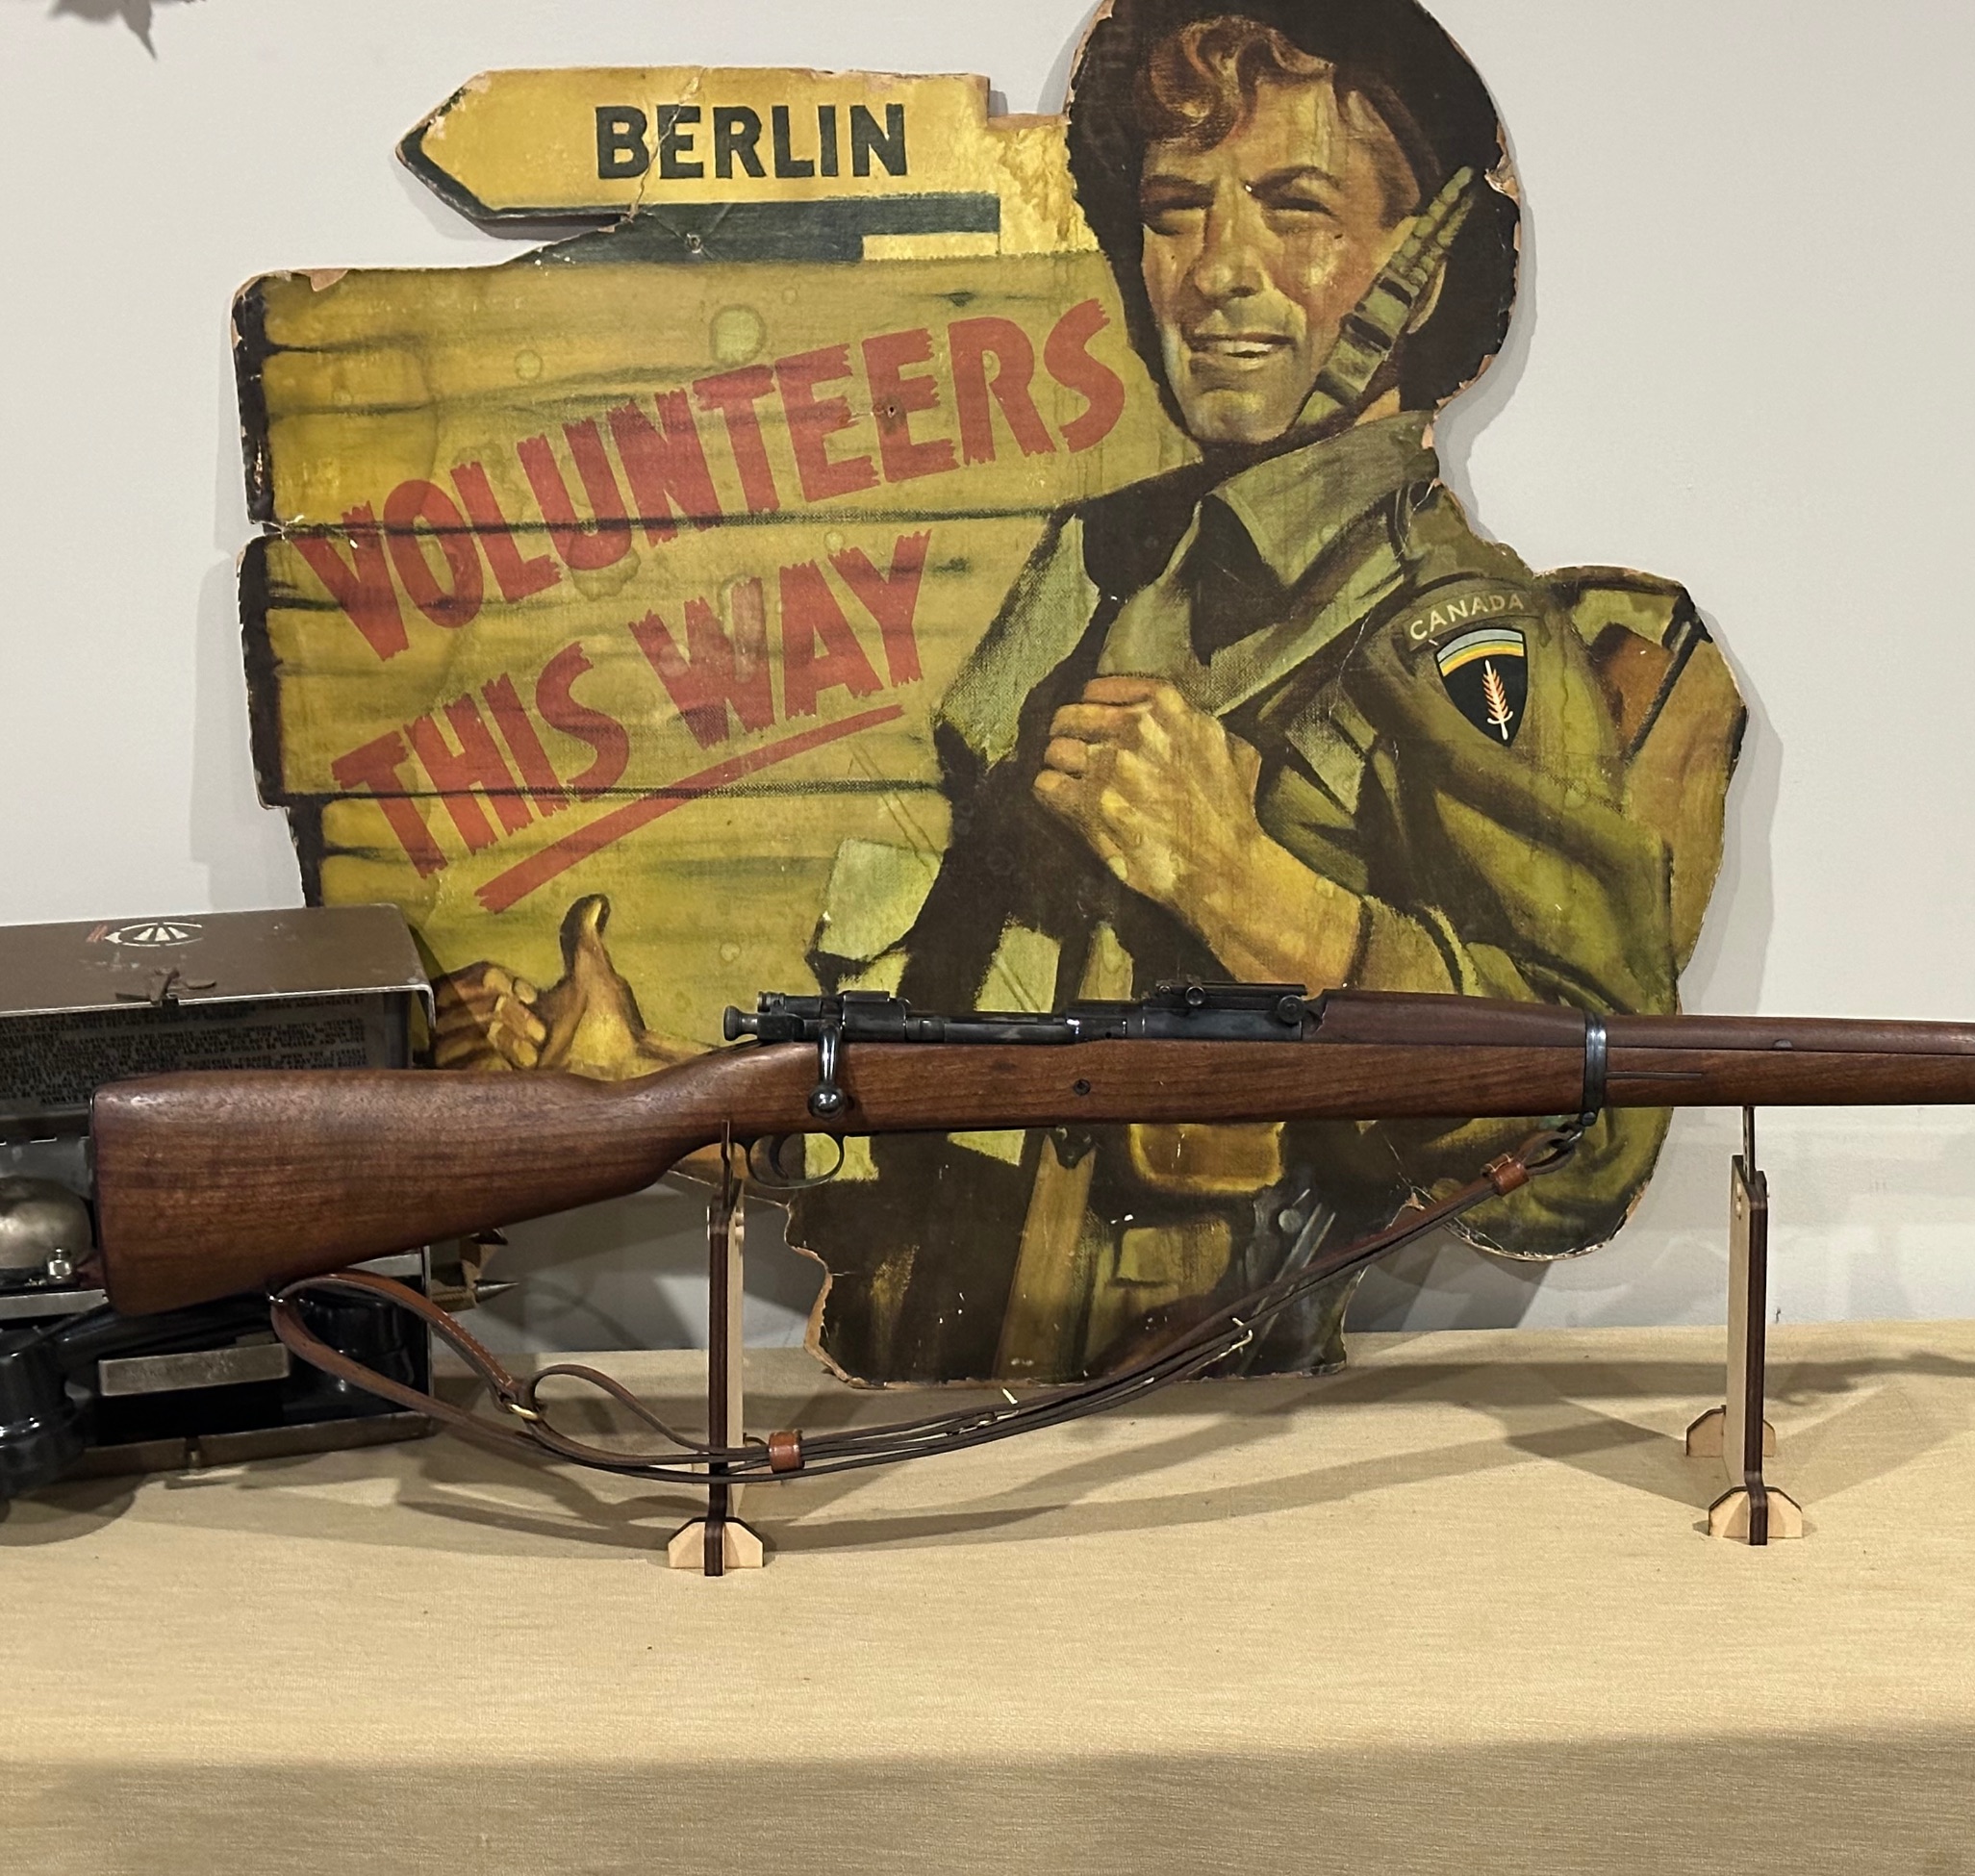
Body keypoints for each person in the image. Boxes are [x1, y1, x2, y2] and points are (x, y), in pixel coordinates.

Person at [436, 0, 1745, 1388]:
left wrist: (1254, 888)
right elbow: (971, 1053)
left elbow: (1591, 1151)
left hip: (1203, 1443)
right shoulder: (1103, 568)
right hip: (917, 1412)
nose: (1218, 271)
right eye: (1177, 210)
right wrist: (655, 1093)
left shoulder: (1457, 639)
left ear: (1420, 270)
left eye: (1296, 208)